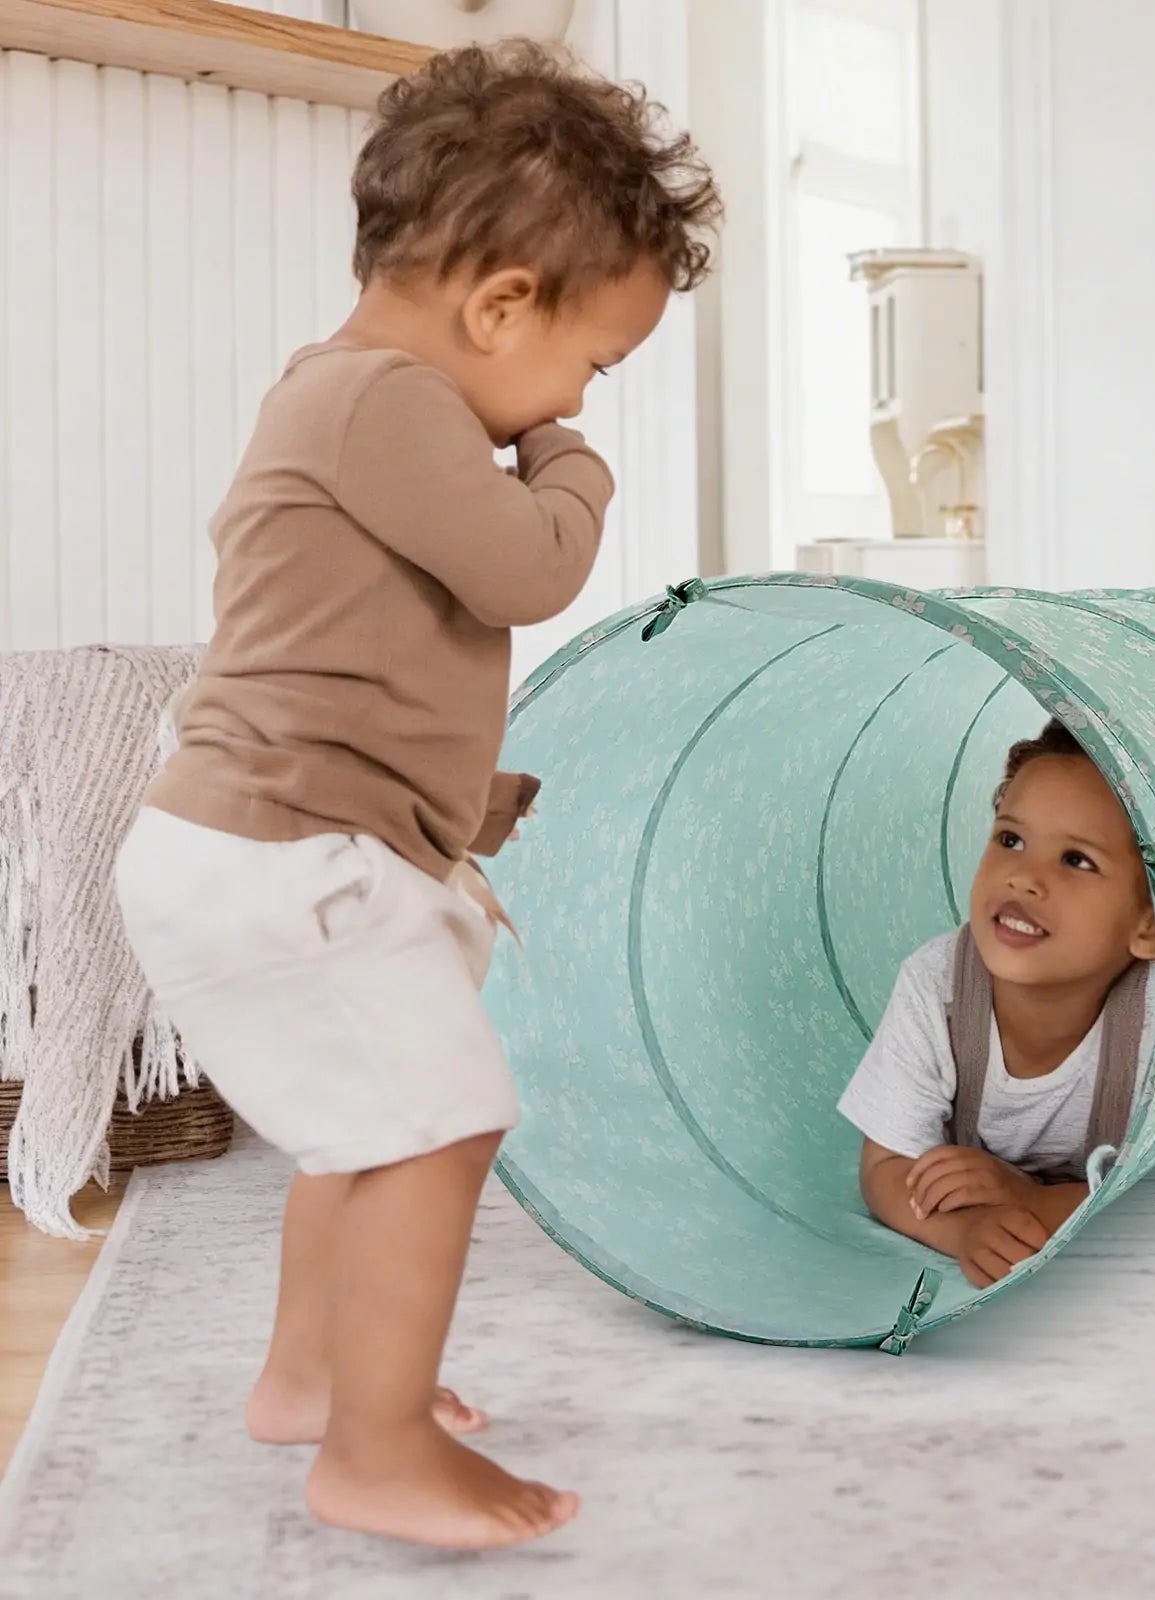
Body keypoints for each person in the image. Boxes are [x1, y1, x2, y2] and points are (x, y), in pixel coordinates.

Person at [115, 41, 720, 1551]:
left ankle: (312, 1379)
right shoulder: (388, 403)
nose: (580, 402)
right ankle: (374, 1447)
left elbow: (369, 663)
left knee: (368, 1127)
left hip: (281, 844)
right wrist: (570, 460)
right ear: (501, 302)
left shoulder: (363, 405)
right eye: (593, 364)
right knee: (443, 1119)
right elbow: (531, 567)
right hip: (281, 854)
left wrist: (462, 794)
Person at [838, 721, 1155, 1289]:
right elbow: (886, 1167)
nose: (1023, 878)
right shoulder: (937, 987)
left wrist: (1028, 1200)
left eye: (1076, 860)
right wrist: (965, 1231)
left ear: (1149, 926)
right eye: (1010, 840)